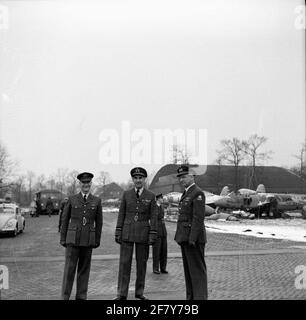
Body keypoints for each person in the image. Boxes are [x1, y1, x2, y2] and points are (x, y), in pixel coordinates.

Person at [114, 167, 157, 300]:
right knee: (124, 263)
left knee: (141, 264)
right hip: (127, 232)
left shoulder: (151, 196)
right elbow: (121, 213)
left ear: (144, 179)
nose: (138, 180)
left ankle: (139, 292)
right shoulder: (126, 194)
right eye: (136, 178)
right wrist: (118, 230)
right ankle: (122, 293)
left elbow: (154, 217)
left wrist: (153, 233)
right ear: (133, 179)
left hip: (143, 233)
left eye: (141, 178)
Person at [60, 172, 103, 300]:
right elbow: (64, 220)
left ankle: (81, 297)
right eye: (83, 183)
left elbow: (99, 222)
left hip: (88, 241)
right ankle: (65, 297)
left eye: (88, 182)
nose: (86, 185)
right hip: (72, 240)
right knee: (69, 271)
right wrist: (63, 238)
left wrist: (97, 239)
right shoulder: (72, 199)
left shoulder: (96, 200)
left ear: (91, 184)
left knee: (84, 271)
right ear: (80, 184)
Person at [174, 165, 208, 300]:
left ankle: (200, 298)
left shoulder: (197, 193)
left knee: (197, 271)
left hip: (193, 239)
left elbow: (198, 218)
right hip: (185, 238)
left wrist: (192, 239)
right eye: (180, 177)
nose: (182, 180)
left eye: (184, 177)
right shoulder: (187, 193)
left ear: (192, 176)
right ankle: (191, 297)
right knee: (189, 271)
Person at [152, 193, 168, 274]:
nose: (162, 199)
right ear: (158, 199)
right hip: (157, 230)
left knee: (164, 250)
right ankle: (155, 268)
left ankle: (163, 267)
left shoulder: (161, 206)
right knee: (156, 251)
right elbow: (153, 219)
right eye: (161, 198)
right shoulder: (154, 207)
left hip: (163, 230)